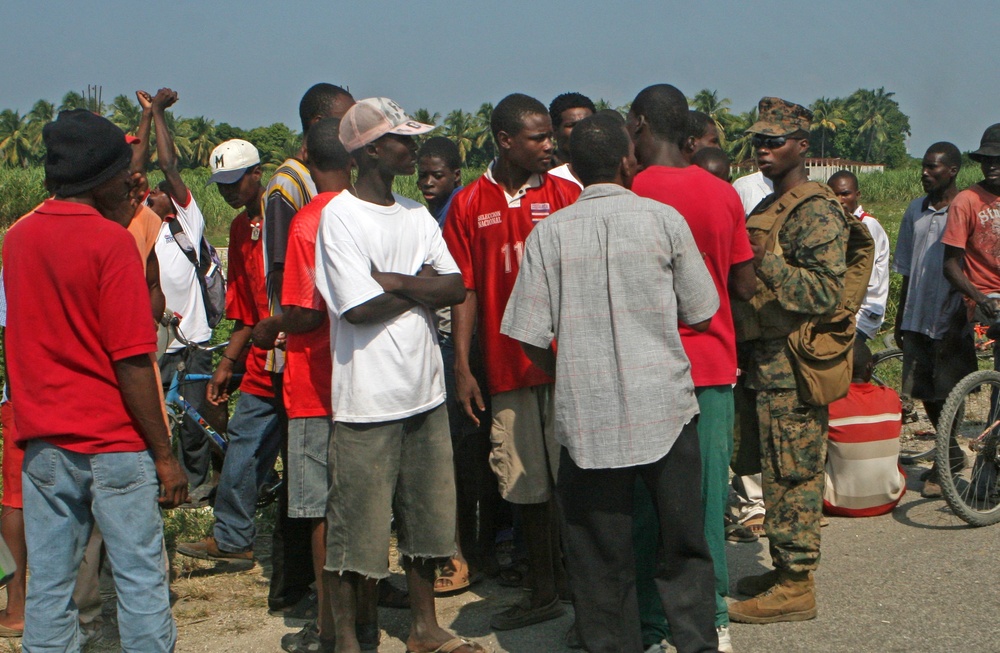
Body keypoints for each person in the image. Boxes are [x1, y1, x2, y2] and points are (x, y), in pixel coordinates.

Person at [502, 112, 721, 653]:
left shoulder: (548, 234)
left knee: (600, 556)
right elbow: (702, 309)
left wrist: (568, 370)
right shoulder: (664, 221)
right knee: (682, 545)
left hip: (587, 417)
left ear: (571, 167)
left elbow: (528, 335)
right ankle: (695, 642)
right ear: (628, 160)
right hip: (666, 411)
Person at [3, 108, 187, 651]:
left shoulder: (18, 239)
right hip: (115, 447)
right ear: (100, 177)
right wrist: (164, 455)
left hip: (44, 447)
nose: (131, 181)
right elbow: (131, 362)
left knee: (49, 592)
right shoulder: (111, 246)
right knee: (140, 584)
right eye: (122, 172)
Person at [314, 96, 484, 653]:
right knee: (355, 530)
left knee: (428, 520)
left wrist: (390, 280)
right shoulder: (339, 216)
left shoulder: (414, 213)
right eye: (401, 140)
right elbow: (355, 309)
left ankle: (424, 628)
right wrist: (416, 285)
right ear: (369, 150)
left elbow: (456, 286)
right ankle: (346, 638)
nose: (411, 149)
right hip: (367, 400)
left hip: (423, 392)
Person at [442, 93, 581, 631]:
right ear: (505, 141)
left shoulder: (567, 195)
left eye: (551, 136)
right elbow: (464, 290)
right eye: (539, 138)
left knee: (573, 481)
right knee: (526, 485)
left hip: (565, 366)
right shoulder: (468, 203)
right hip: (505, 369)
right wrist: (462, 367)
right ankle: (544, 588)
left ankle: (573, 582)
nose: (551, 145)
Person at [626, 83, 754, 653]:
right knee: (706, 504)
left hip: (648, 368)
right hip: (712, 365)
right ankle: (714, 619)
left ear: (641, 124)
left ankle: (655, 626)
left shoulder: (630, 192)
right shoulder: (722, 193)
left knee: (649, 506)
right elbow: (744, 283)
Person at [727, 97, 850, 624]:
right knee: (772, 469)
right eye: (759, 140)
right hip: (763, 361)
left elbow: (826, 292)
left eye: (775, 140)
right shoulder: (766, 206)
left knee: (792, 474)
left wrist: (765, 262)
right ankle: (782, 570)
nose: (763, 149)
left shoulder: (816, 210)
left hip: (793, 366)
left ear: (803, 145)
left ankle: (797, 583)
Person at [259, 117, 379, 653]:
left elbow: (304, 314)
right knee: (368, 508)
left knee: (322, 516)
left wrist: (270, 325)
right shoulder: (374, 215)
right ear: (353, 161)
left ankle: (330, 627)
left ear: (308, 159)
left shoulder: (309, 220)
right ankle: (369, 618)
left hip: (314, 387)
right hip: (370, 382)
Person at [177, 139, 285, 567]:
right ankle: (234, 537)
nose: (226, 191)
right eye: (220, 185)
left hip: (297, 357)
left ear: (257, 175)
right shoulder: (241, 231)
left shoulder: (286, 221)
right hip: (260, 360)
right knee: (242, 442)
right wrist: (227, 365)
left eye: (233, 182)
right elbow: (243, 308)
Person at [417, 136, 499, 593]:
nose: (428, 183)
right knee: (463, 456)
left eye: (436, 175)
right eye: (423, 175)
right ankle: (473, 549)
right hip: (450, 346)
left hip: (460, 347)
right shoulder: (430, 216)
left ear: (456, 177)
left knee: (467, 455)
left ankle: (469, 552)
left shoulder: (457, 214)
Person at [140, 88, 216, 497]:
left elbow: (168, 164)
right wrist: (146, 119)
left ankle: (199, 486)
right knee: (157, 419)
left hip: (194, 340)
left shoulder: (185, 225)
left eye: (159, 188)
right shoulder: (137, 234)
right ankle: (165, 484)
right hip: (158, 343)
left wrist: (158, 115)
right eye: (147, 188)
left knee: (193, 420)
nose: (153, 189)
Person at [892, 142, 974, 498]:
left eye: (933, 167)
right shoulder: (916, 210)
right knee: (923, 387)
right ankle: (950, 453)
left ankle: (946, 456)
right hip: (918, 313)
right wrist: (901, 315)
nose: (925, 173)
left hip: (953, 314)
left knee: (951, 387)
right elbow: (908, 268)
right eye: (923, 167)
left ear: (952, 170)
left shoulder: (966, 207)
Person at [941, 123, 1000, 497]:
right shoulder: (967, 201)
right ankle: (985, 475)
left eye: (999, 160)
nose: (991, 166)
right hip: (986, 298)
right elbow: (950, 265)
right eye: (987, 160)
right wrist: (980, 298)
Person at [823, 341, 906, 516]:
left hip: (837, 503)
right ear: (870, 367)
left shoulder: (830, 402)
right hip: (889, 499)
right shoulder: (891, 397)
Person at [828, 170, 890, 343]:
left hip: (865, 308)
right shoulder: (836, 222)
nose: (840, 199)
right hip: (845, 306)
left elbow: (862, 275)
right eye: (834, 194)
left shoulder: (867, 226)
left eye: (845, 194)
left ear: (857, 195)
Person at [547, 92, 596, 187]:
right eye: (571, 125)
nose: (581, 131)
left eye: (587, 124)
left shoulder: (609, 172)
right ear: (554, 131)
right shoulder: (543, 175)